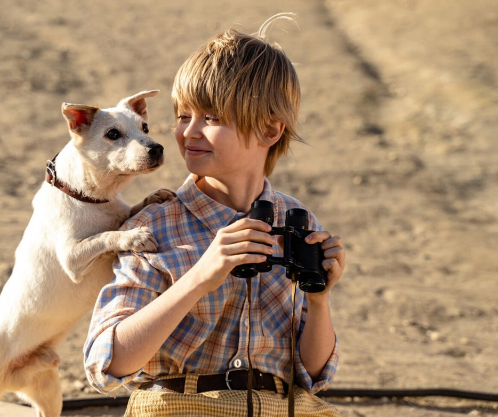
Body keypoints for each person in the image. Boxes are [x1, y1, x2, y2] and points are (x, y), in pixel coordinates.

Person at [84, 15, 346, 417]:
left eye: (211, 118)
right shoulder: (154, 225)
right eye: (182, 115)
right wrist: (200, 276)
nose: (188, 132)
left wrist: (320, 299)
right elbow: (107, 362)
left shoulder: (298, 221)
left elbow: (312, 372)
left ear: (269, 130)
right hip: (180, 405)